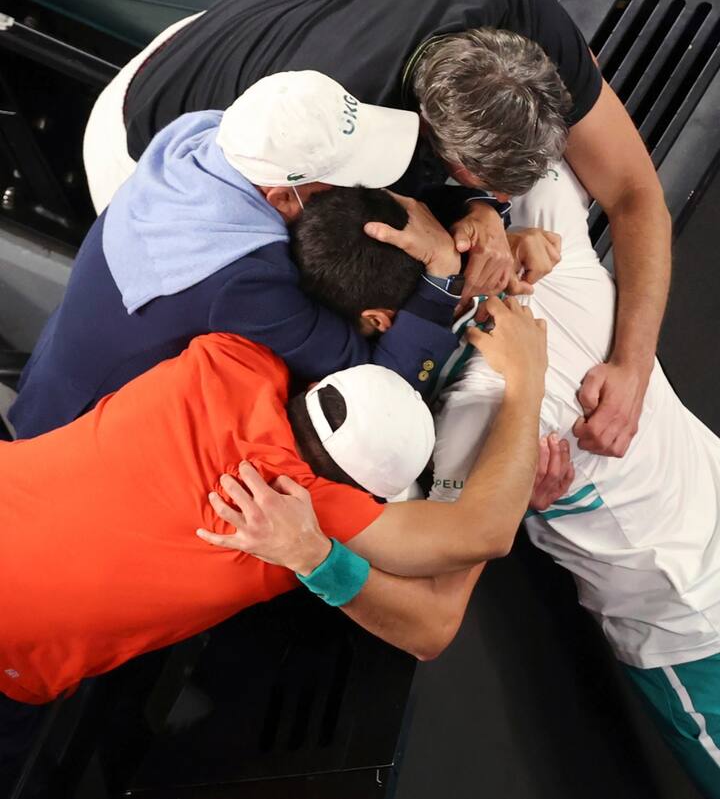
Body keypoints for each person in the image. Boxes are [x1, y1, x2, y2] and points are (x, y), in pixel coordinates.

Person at [216, 170, 720, 795]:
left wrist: (312, 554)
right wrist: (484, 205)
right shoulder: (553, 246)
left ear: (374, 319)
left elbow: (432, 621)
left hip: (690, 630)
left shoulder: (474, 414)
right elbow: (563, 104)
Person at [82, 0, 670, 459]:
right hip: (151, 132)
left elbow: (634, 193)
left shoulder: (521, 10)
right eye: (481, 182)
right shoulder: (319, 136)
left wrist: (632, 368)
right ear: (444, 150)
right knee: (314, 375)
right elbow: (359, 345)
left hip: (250, 40)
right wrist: (449, 259)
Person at [0, 304, 564, 786]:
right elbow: (468, 556)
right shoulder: (290, 506)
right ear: (363, 494)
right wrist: (527, 381)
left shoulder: (231, 358)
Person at [9, 71, 463, 439]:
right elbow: (375, 387)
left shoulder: (208, 135)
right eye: (348, 176)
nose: (359, 187)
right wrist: (441, 270)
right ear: (284, 198)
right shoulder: (239, 278)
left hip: (52, 376)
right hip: (74, 434)